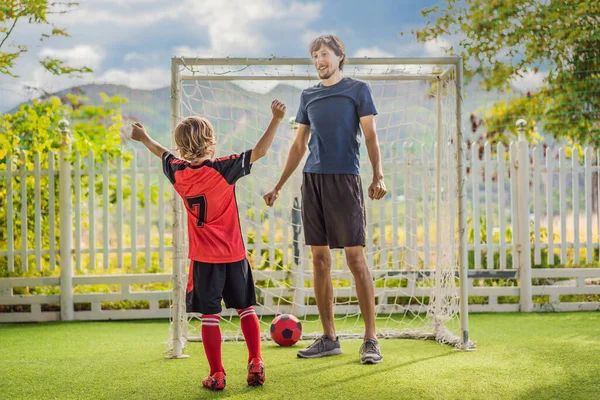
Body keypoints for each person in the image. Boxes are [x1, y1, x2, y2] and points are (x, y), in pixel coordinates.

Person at [131, 100, 287, 390]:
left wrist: (143, 138)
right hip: (234, 255)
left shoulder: (177, 171)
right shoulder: (224, 168)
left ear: (181, 148)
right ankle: (255, 361)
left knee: (210, 316)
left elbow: (160, 152)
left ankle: (217, 374)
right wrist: (276, 119)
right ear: (210, 142)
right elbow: (261, 151)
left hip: (204, 259)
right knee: (246, 309)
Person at [263, 35, 386, 364]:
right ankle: (330, 337)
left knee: (355, 259)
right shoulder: (308, 96)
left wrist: (378, 175)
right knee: (318, 259)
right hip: (312, 181)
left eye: (325, 54)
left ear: (340, 57)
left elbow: (371, 135)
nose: (319, 59)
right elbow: (299, 145)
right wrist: (277, 186)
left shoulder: (357, 90)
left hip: (345, 179)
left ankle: (371, 339)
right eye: (315, 55)